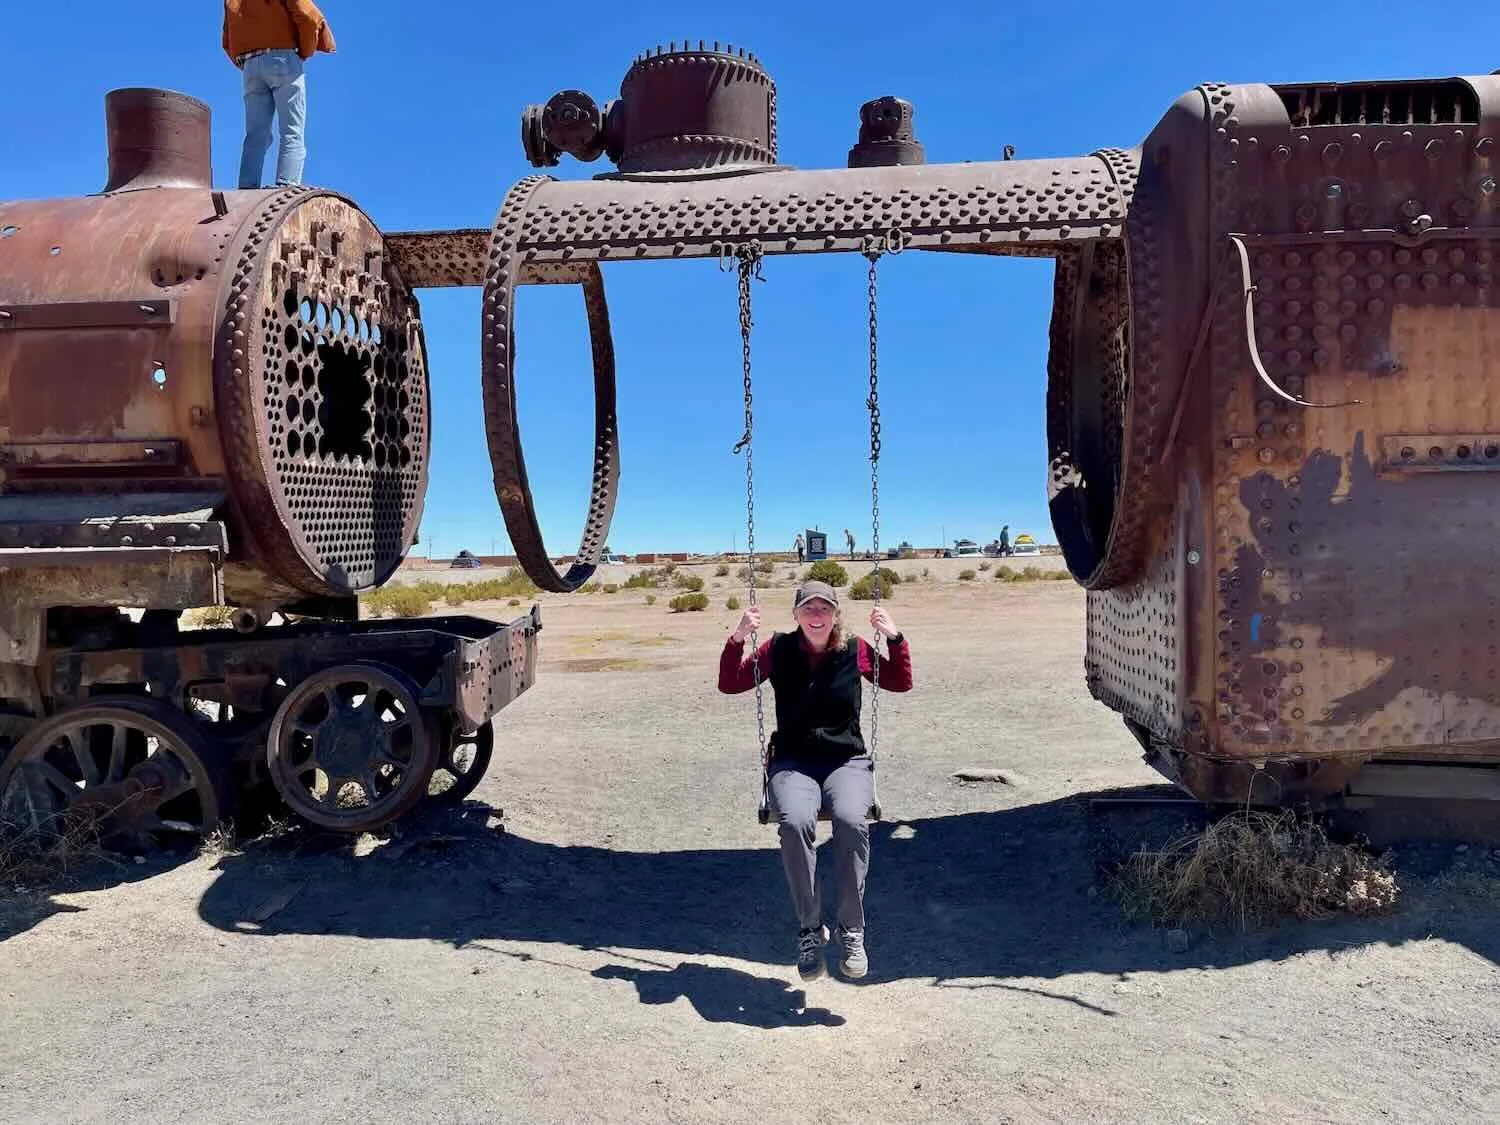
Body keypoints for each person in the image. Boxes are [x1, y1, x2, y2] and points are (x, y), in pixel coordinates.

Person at [717, 580, 913, 981]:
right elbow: (730, 682)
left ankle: (851, 929)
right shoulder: (778, 649)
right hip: (793, 762)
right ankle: (809, 929)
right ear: (796, 615)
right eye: (809, 608)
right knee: (794, 822)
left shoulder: (855, 649)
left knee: (851, 821)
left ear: (836, 614)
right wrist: (738, 636)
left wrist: (895, 637)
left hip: (847, 762)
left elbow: (899, 680)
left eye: (825, 608)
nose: (817, 616)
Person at [223, 0, 337, 189]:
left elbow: (227, 40)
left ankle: (246, 190)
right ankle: (286, 185)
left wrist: (246, 63)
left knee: (255, 135)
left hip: (250, 65)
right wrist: (304, 52)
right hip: (283, 57)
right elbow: (308, 16)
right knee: (292, 131)